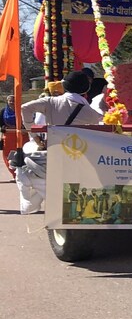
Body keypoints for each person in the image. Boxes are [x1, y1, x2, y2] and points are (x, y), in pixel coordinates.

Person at [18, 71, 104, 213]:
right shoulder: (89, 112)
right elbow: (102, 122)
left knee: (27, 161)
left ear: (64, 86)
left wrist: (34, 135)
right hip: (78, 157)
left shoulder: (51, 102)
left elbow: (24, 108)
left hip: (53, 154)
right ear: (86, 89)